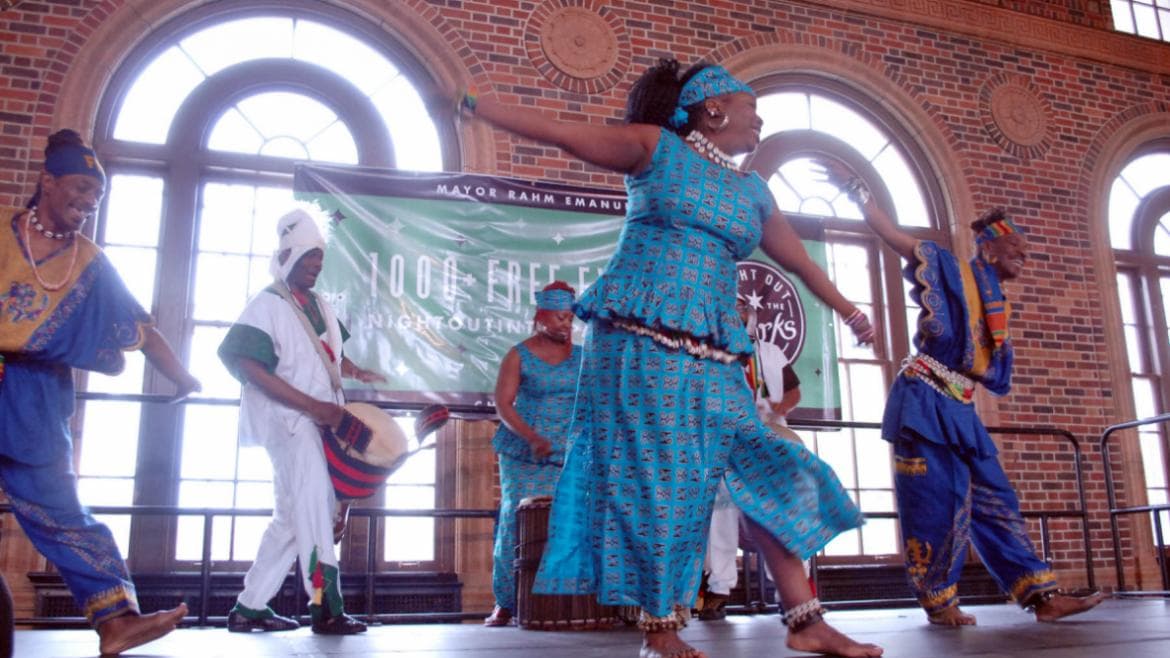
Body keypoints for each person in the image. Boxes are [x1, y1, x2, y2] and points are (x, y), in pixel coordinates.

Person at [451, 60, 883, 658]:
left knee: (767, 459)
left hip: (711, 349)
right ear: (713, 107)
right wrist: (474, 102)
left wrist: (853, 312)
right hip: (638, 338)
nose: (760, 119)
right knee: (660, 481)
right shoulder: (655, 148)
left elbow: (803, 264)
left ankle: (805, 619)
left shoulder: (752, 191)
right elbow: (560, 132)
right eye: (752, 106)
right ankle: (660, 629)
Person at [818, 161, 1106, 626]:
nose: (1023, 259)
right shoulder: (952, 270)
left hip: (961, 406)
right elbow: (895, 238)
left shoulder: (997, 300)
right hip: (924, 401)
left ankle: (1040, 596)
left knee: (997, 498)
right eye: (1015, 249)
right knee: (936, 498)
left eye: (1026, 253)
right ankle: (940, 601)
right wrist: (858, 192)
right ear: (989, 249)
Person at [0, 129, 198, 655]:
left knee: (63, 512)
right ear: (47, 181)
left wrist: (183, 377)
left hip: (36, 398)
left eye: (96, 196)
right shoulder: (2, 231)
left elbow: (141, 330)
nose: (88, 202)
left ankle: (117, 621)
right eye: (81, 188)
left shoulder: (89, 264)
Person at [217, 208, 385, 635]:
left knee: (292, 518)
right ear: (288, 255)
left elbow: (329, 354)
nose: (315, 267)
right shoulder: (266, 305)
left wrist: (357, 372)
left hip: (321, 420)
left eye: (319, 261)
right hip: (289, 422)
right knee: (315, 509)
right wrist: (315, 406)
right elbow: (246, 363)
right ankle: (324, 607)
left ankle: (249, 607)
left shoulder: (323, 307)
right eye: (309, 259)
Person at [484, 281, 582, 627]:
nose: (566, 324)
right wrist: (531, 437)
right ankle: (506, 601)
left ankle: (561, 600)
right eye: (558, 318)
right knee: (516, 521)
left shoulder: (582, 357)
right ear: (540, 317)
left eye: (570, 318)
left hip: (569, 453)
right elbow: (503, 404)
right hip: (525, 452)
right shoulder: (519, 354)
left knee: (568, 522)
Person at [698, 294, 803, 621]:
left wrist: (777, 409)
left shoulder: (769, 352)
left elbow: (793, 391)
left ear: (751, 315)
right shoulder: (708, 354)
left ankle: (791, 593)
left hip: (769, 439)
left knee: (781, 511)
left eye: (742, 308)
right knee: (722, 510)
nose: (736, 313)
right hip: (725, 441)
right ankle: (720, 588)